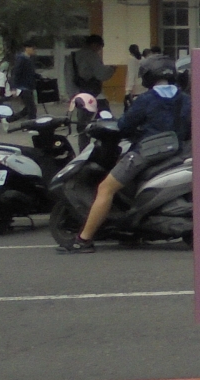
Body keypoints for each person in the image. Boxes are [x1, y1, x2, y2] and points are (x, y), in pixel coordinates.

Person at [62, 53, 189, 253]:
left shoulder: (146, 99)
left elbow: (124, 125)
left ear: (148, 75)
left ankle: (83, 240)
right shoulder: (185, 99)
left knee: (105, 188)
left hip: (146, 153)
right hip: (176, 153)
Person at [68, 34, 111, 100]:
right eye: (99, 47)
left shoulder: (71, 56)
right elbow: (101, 75)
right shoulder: (92, 56)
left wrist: (71, 94)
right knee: (103, 106)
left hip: (75, 93)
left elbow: (68, 75)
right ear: (95, 45)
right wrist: (111, 69)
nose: (99, 50)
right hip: (91, 94)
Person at [7, 41, 40, 120]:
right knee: (32, 108)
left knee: (28, 108)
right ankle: (31, 123)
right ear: (27, 48)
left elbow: (30, 72)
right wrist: (13, 88)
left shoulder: (29, 59)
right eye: (33, 49)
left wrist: (38, 76)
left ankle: (10, 119)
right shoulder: (21, 59)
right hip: (23, 87)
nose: (34, 51)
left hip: (29, 86)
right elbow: (16, 73)